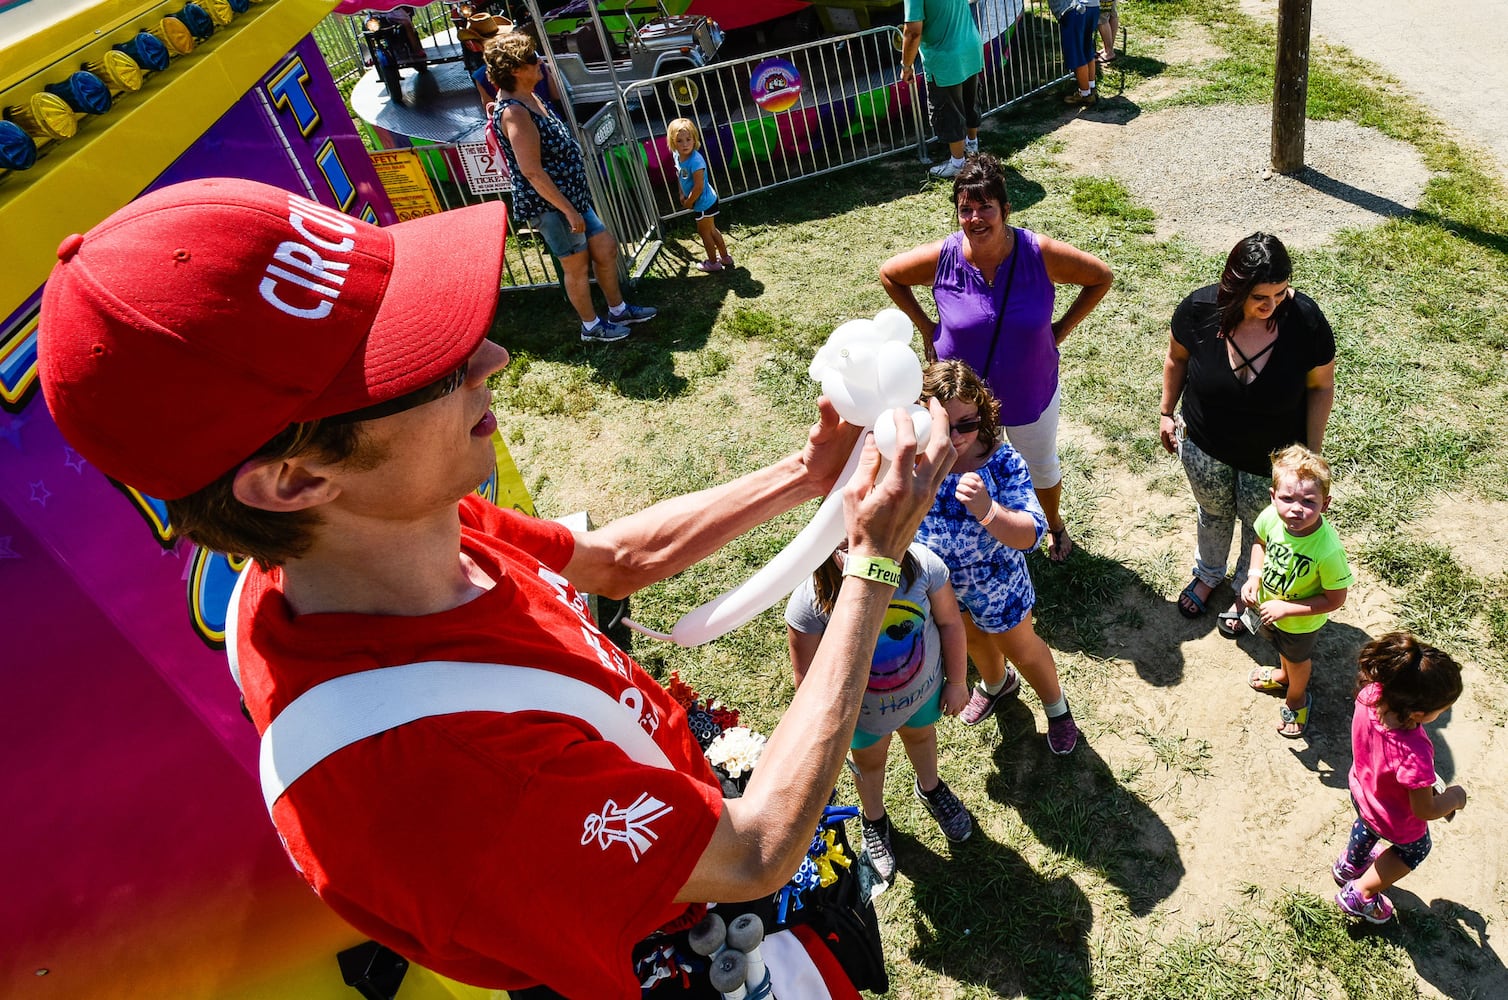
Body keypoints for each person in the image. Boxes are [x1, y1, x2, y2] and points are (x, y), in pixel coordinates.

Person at [36, 176, 959, 997]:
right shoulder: (438, 782)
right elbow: (754, 851)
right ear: (296, 478)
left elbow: (613, 564)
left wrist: (804, 478)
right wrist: (872, 566)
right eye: (427, 365)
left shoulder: (364, 541)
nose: (492, 360)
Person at [880, 154, 1113, 562]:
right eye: (965, 209)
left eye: (985, 207)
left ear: (1006, 209)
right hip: (958, 398)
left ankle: (1053, 524)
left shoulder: (1038, 253)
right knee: (954, 465)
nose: (975, 218)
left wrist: (1060, 330)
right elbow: (890, 274)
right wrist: (926, 328)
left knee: (1039, 463)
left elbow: (1100, 277)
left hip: (1028, 387)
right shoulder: (944, 257)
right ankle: (965, 536)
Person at [1160, 232, 1337, 633]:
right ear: (1233, 286)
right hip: (1205, 446)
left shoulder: (1306, 321)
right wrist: (1167, 412)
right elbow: (1176, 360)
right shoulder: (1199, 308)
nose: (1271, 305)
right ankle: (1208, 575)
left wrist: (1310, 455)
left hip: (1271, 459)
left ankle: (1245, 588)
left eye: (1280, 293)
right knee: (1213, 513)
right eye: (1260, 296)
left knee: (1262, 526)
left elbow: (1321, 386)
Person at [915, 360, 1080, 754]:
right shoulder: (914, 463)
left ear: (983, 416)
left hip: (998, 583)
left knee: (1021, 647)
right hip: (943, 588)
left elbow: (1029, 535)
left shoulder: (1002, 463)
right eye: (943, 425)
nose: (955, 436)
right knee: (969, 639)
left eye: (967, 424)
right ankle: (995, 683)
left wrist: (988, 510)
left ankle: (1057, 708)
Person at [786, 539, 972, 881]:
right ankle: (874, 818)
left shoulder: (923, 566)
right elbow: (807, 680)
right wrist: (830, 730)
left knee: (921, 738)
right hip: (861, 717)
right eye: (847, 545)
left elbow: (949, 623)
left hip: (921, 698)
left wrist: (958, 681)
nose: (864, 556)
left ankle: (930, 787)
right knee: (869, 765)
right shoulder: (811, 602)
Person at [484, 30, 656, 343]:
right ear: (515, 71)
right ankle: (591, 327)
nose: (540, 63)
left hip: (572, 198)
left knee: (605, 248)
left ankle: (617, 309)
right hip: (553, 207)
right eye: (532, 59)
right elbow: (532, 172)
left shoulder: (526, 97)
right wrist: (567, 211)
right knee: (576, 268)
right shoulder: (515, 113)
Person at [1333, 632, 1466, 924]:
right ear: (1419, 712)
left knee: (1367, 823)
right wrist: (1454, 797)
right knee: (1415, 850)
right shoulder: (1414, 751)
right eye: (1442, 710)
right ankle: (1361, 894)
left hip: (1363, 789)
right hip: (1395, 817)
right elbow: (1425, 809)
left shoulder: (1370, 695)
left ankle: (1349, 865)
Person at [1239, 445, 1353, 738]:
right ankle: (1281, 675)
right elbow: (1260, 543)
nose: (1296, 509)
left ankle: (1297, 697)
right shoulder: (1271, 517)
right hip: (1269, 609)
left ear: (1325, 505)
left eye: (1308, 501)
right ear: (1273, 496)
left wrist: (1287, 608)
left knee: (1298, 659)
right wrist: (1254, 576)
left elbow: (1335, 599)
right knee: (1281, 650)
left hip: (1299, 622)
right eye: (1287, 498)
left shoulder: (1327, 550)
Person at [900, 0, 984, 179]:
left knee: (949, 112)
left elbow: (913, 32)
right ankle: (972, 146)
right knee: (970, 101)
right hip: (971, 47)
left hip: (945, 59)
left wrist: (906, 65)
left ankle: (958, 163)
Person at [667, 117, 732, 273]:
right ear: (673, 142)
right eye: (680, 140)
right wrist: (681, 193)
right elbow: (680, 175)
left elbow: (698, 186)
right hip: (702, 201)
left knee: (705, 233)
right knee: (711, 229)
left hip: (703, 202)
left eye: (688, 139)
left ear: (694, 139)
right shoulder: (677, 156)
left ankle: (713, 262)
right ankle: (725, 257)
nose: (685, 144)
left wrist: (689, 201)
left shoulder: (696, 161)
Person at [1050, 0, 1101, 105]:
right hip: (1092, 6)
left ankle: (1085, 94)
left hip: (1075, 10)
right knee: (1087, 49)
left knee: (1077, 52)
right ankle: (1091, 87)